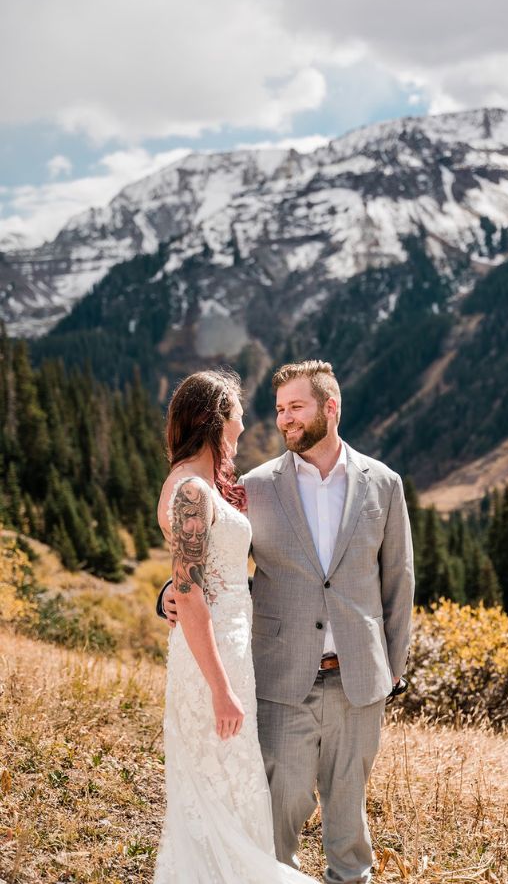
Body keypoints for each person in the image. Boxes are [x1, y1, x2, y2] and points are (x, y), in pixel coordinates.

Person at [163, 360, 415, 884]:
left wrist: (393, 665)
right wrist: (169, 592)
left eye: (296, 407)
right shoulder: (253, 487)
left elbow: (399, 580)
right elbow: (211, 561)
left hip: (360, 681)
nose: (284, 420)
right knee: (276, 821)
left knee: (349, 824)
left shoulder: (384, 484)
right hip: (280, 681)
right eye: (279, 410)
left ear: (331, 407)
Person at [154, 370, 317, 882]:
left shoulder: (199, 486)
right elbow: (190, 589)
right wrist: (221, 689)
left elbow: (191, 579)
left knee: (229, 786)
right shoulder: (190, 492)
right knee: (215, 789)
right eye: (238, 415)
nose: (244, 427)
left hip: (229, 650)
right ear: (216, 417)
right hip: (211, 664)